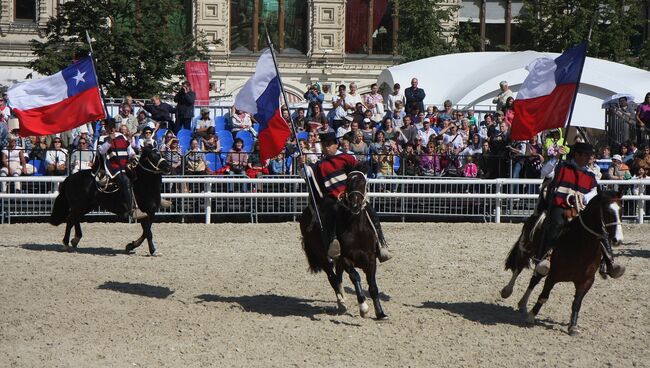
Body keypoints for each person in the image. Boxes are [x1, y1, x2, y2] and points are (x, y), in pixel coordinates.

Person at [534, 143, 624, 278]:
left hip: (580, 208)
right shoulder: (561, 167)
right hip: (560, 205)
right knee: (557, 223)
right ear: (577, 155)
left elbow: (593, 192)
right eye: (586, 155)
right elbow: (544, 172)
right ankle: (547, 256)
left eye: (591, 156)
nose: (589, 158)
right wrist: (556, 157)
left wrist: (582, 199)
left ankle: (609, 261)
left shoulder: (590, 174)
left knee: (599, 228)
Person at [301, 132, 391, 262]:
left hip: (351, 195)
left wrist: (358, 190)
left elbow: (360, 171)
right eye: (324, 145)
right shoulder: (320, 164)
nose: (326, 148)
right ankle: (332, 244)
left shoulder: (346, 158)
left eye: (329, 145)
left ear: (335, 145)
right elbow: (306, 174)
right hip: (332, 198)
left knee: (371, 211)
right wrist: (302, 164)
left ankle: (381, 244)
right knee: (331, 213)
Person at [94, 118, 141, 217]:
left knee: (142, 174)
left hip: (125, 164)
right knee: (125, 181)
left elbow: (129, 149)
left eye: (112, 127)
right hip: (113, 167)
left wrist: (132, 155)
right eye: (108, 127)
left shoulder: (121, 136)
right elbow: (101, 151)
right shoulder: (102, 138)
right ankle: (131, 209)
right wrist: (110, 140)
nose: (110, 129)